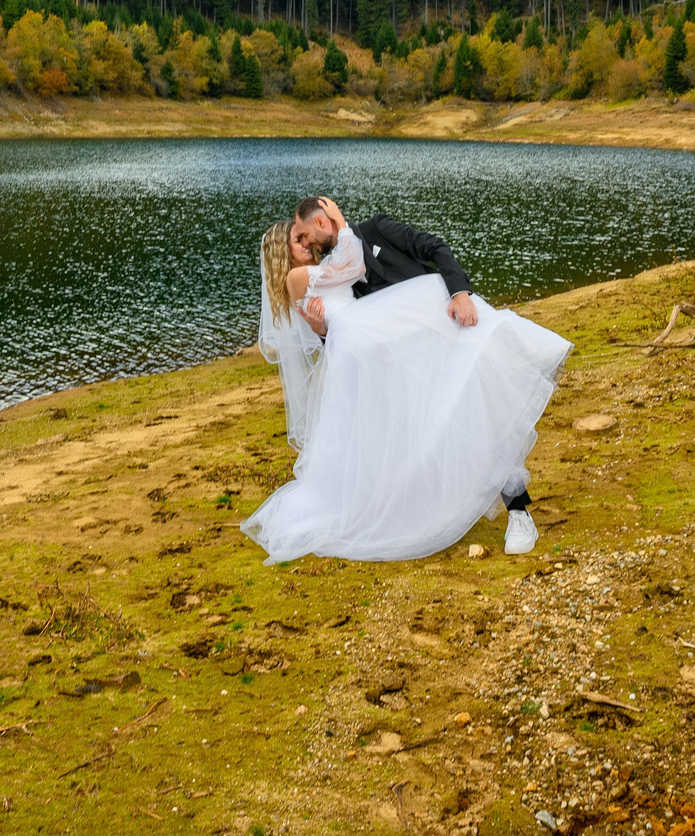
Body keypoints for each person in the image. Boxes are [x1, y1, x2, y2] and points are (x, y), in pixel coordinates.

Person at [243, 195, 569, 563]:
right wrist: (319, 330)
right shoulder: (329, 266)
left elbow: (433, 247)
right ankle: (433, 510)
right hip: (394, 367)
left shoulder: (375, 230)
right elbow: (341, 325)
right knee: (422, 436)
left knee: (485, 407)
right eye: (298, 242)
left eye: (305, 235)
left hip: (443, 333)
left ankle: (518, 511)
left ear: (320, 223)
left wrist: (460, 293)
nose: (307, 245)